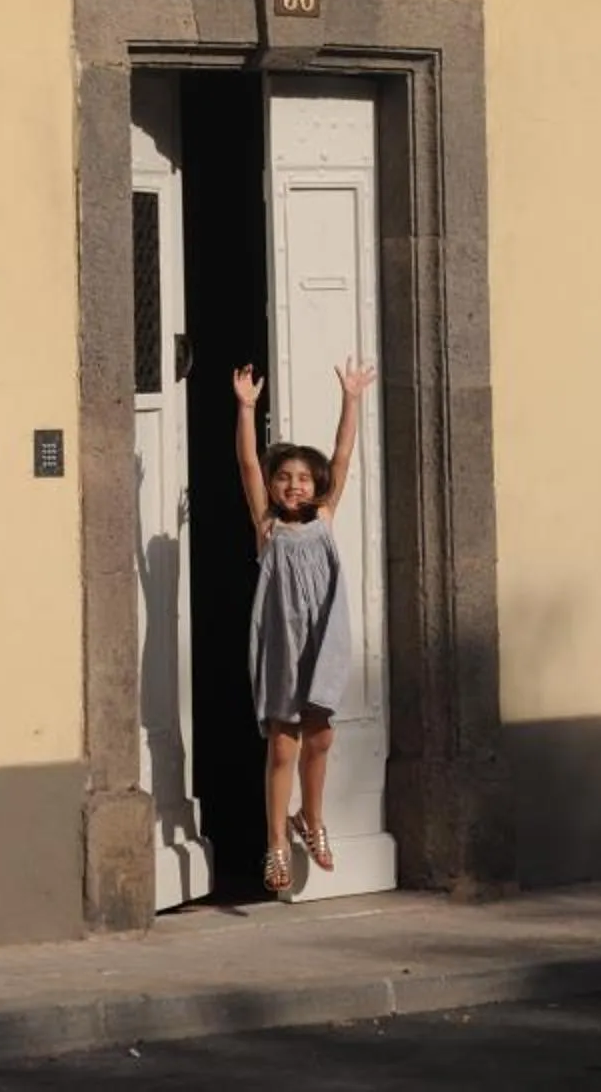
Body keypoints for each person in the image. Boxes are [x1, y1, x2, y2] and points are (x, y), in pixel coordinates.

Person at [233, 354, 377, 898]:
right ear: (273, 487)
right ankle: (275, 841)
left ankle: (310, 820)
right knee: (284, 746)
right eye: (283, 478)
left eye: (302, 479)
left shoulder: (323, 517)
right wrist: (247, 409)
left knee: (321, 737)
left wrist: (352, 400)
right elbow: (248, 464)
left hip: (322, 639)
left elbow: (342, 456)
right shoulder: (267, 528)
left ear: (314, 486)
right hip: (283, 645)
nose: (292, 486)